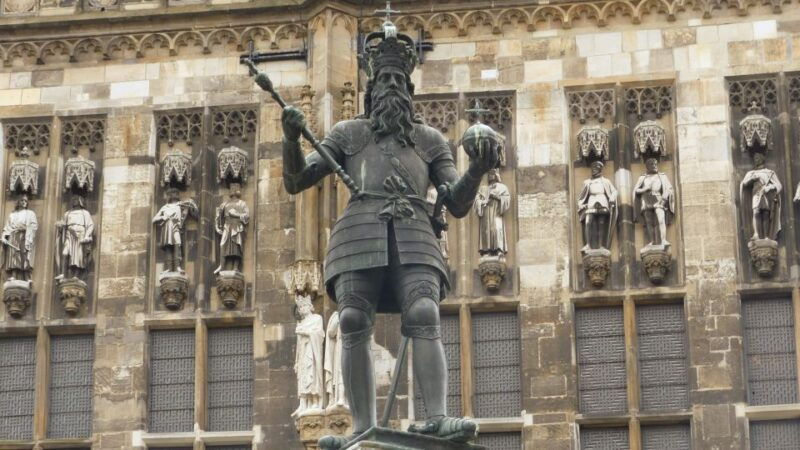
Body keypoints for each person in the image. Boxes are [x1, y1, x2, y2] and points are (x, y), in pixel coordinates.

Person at [253, 22, 499, 448]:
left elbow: (457, 203)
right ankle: (361, 424)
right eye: (383, 77)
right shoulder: (349, 133)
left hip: (416, 232)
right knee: (351, 320)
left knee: (423, 311)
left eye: (397, 78)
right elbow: (297, 179)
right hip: (358, 234)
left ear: (409, 87)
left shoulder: (430, 139)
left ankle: (436, 417)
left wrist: (477, 167)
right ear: (371, 86)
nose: (390, 84)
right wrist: (291, 138)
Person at [292, 295, 325, 418]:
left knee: (312, 375)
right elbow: (299, 344)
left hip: (312, 352)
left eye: (304, 306)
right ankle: (303, 404)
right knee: (303, 377)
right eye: (300, 307)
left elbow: (320, 334)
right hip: (303, 354)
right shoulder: (301, 322)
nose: (302, 309)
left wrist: (305, 332)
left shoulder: (317, 318)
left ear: (310, 307)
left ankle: (315, 401)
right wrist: (296, 361)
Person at [152, 188, 196, 273]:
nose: (175, 195)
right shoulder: (165, 207)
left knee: (177, 245)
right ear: (169, 196)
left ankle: (177, 267)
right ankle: (169, 268)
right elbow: (154, 219)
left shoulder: (180, 205)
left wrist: (191, 204)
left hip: (176, 227)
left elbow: (193, 210)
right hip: (167, 227)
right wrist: (162, 217)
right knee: (168, 247)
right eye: (172, 194)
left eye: (176, 193)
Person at [633, 158, 675, 246]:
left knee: (660, 219)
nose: (654, 166)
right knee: (649, 221)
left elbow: (669, 188)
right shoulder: (643, 177)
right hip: (646, 199)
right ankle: (652, 241)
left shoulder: (662, 176)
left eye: (655, 164)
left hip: (658, 199)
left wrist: (665, 196)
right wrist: (645, 189)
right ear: (647, 166)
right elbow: (636, 190)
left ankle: (663, 240)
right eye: (652, 164)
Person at [740, 152, 782, 241]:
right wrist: (752, 179)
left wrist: (770, 187)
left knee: (766, 213)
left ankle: (767, 236)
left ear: (762, 159)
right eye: (755, 159)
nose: (756, 160)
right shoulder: (751, 173)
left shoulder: (769, 173)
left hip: (766, 195)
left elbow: (779, 185)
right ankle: (756, 234)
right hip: (756, 194)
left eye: (757, 158)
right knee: (756, 212)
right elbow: (744, 184)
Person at [577, 160, 618, 251]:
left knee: (601, 223)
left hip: (602, 201)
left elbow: (614, 191)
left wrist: (612, 197)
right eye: (593, 168)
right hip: (591, 201)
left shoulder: (606, 181)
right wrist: (581, 204)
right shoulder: (587, 182)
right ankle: (588, 244)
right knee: (588, 222)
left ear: (600, 170)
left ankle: (600, 245)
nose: (594, 170)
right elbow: (581, 197)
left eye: (596, 168)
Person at [56, 195, 94, 279]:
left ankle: (76, 275)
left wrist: (86, 236)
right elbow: (64, 225)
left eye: (76, 199)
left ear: (80, 200)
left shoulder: (85, 213)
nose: (74, 201)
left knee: (78, 256)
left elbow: (90, 225)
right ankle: (63, 273)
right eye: (73, 199)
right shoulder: (67, 213)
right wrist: (60, 226)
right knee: (65, 253)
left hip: (80, 235)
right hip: (69, 235)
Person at [474, 168, 510, 256]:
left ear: (497, 175)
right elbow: (476, 201)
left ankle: (499, 249)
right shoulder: (483, 189)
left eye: (493, 174)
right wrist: (482, 202)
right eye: (490, 174)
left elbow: (507, 199)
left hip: (496, 212)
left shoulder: (502, 187)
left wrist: (496, 196)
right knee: (486, 230)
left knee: (496, 229)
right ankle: (486, 250)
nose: (491, 176)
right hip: (486, 213)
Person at [215, 183, 249, 273]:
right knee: (223, 245)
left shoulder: (242, 203)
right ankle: (222, 265)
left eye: (234, 188)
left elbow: (246, 216)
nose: (232, 190)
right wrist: (217, 227)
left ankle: (235, 267)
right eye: (231, 188)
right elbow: (218, 215)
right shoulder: (225, 203)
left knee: (236, 246)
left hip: (237, 227)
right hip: (227, 226)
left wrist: (236, 214)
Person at [1, 195, 37, 281]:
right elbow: (7, 227)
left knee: (24, 254)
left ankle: (27, 276)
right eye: (22, 200)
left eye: (25, 200)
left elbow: (34, 225)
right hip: (14, 236)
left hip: (25, 236)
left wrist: (26, 228)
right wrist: (3, 237)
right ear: (18, 202)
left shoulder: (30, 213)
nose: (24, 202)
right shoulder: (12, 215)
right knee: (14, 254)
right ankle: (14, 274)